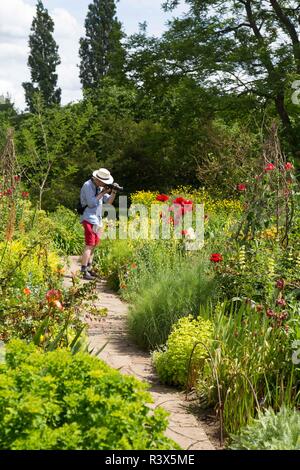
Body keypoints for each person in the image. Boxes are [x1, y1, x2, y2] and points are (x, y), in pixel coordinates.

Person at [80, 168, 117, 280]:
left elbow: (108, 202)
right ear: (97, 179)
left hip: (97, 219)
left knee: (94, 244)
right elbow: (91, 203)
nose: (104, 184)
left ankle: (89, 268)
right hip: (88, 218)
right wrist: (103, 192)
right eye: (103, 181)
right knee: (89, 244)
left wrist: (113, 192)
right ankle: (83, 270)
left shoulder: (100, 187)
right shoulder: (87, 185)